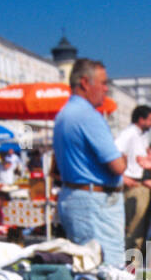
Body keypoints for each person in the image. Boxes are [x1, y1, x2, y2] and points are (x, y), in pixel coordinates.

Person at [52, 58, 127, 266]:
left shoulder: (63, 115)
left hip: (74, 197)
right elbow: (117, 166)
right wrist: (125, 159)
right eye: (103, 83)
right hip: (96, 205)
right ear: (85, 82)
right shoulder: (89, 116)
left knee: (86, 270)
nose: (106, 89)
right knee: (108, 271)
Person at [115, 104, 151, 252]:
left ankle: (133, 264)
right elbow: (116, 152)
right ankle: (131, 266)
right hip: (134, 184)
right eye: (150, 119)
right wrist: (122, 177)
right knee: (135, 229)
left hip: (140, 184)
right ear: (141, 120)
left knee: (139, 229)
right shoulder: (129, 134)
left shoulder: (141, 135)